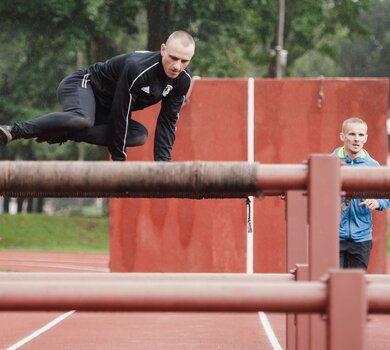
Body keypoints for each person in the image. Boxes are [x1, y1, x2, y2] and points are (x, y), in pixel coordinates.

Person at [0, 30, 195, 161]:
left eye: (184, 61)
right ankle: (12, 131)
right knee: (82, 118)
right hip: (84, 85)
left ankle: (65, 131)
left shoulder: (182, 81)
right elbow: (121, 112)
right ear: (163, 50)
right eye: (173, 58)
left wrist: (163, 170)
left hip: (105, 108)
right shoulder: (138, 69)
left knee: (138, 135)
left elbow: (167, 123)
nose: (177, 66)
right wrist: (119, 161)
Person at [332, 117, 390, 269]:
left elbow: (387, 195)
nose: (356, 139)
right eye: (352, 134)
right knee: (332, 287)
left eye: (361, 135)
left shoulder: (373, 165)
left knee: (355, 288)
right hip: (333, 236)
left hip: (361, 238)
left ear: (366, 138)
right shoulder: (330, 162)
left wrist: (378, 202)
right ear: (342, 137)